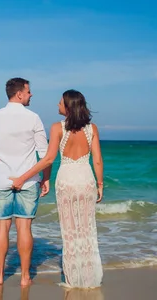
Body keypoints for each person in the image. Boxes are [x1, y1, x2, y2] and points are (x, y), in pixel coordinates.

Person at [11, 89, 104, 288]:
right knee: (87, 229)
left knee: (70, 231)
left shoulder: (57, 128)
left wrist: (23, 177)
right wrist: (100, 184)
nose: (57, 105)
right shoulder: (92, 129)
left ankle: (73, 279)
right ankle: (90, 278)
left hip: (67, 181)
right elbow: (97, 160)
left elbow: (49, 159)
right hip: (86, 179)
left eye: (60, 102)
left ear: (68, 106)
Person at [0, 77, 51, 287]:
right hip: (28, 181)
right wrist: (46, 178)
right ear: (19, 94)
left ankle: (0, 276)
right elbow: (44, 153)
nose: (31, 94)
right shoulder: (33, 118)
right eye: (28, 91)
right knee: (25, 228)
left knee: (1, 228)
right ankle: (26, 277)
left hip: (1, 179)